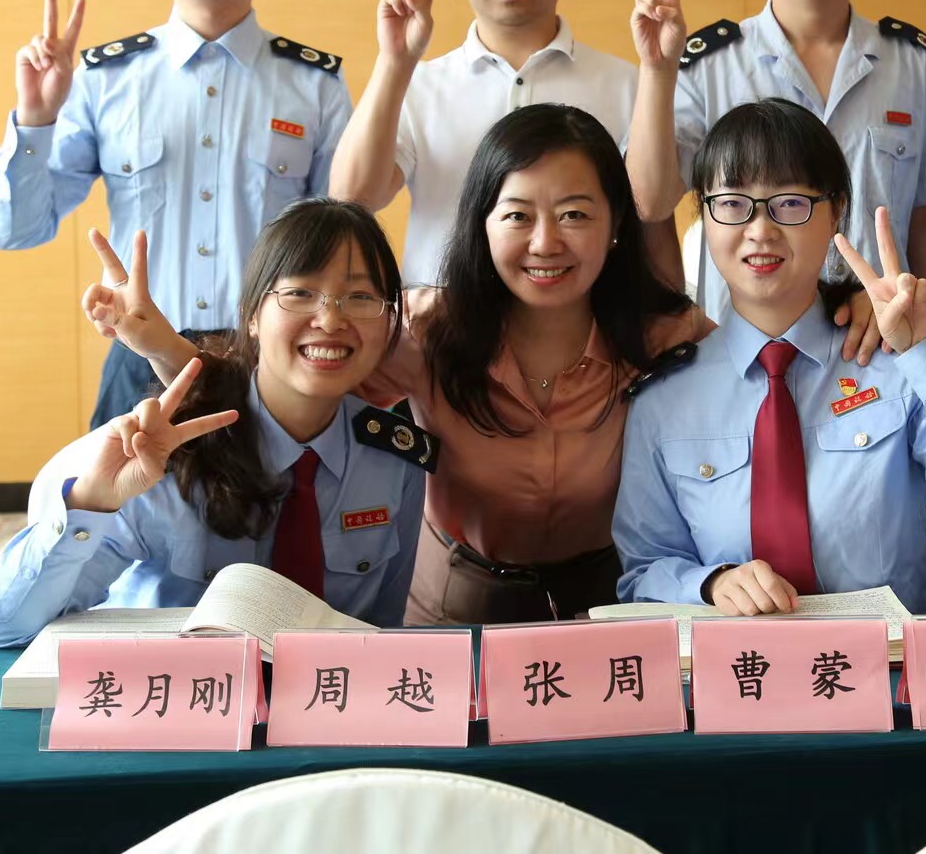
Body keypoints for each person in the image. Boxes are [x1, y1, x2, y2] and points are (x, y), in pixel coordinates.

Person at [90, 104, 710, 625]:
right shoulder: (425, 329)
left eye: (574, 214)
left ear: (616, 224)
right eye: (518, 215)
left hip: (610, 605)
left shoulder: (663, 336)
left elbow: (750, 379)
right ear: (483, 224)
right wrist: (163, 345)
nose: (545, 242)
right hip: (452, 609)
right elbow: (281, 387)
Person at [613, 99, 926, 617]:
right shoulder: (664, 399)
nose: (760, 229)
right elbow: (643, 572)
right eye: (731, 203)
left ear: (836, 209)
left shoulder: (897, 364)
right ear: (704, 214)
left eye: (790, 203)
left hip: (894, 662)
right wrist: (710, 584)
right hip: (741, 664)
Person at [0, 0, 352, 427]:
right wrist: (36, 118)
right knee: (125, 492)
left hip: (272, 362)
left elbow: (346, 238)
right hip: (138, 360)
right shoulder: (104, 79)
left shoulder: (315, 85)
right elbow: (15, 230)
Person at [0, 199, 433, 647]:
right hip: (172, 695)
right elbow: (4, 628)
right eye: (300, 294)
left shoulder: (395, 462)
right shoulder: (167, 450)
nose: (330, 320)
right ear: (251, 316)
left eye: (360, 297)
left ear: (389, 323)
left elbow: (382, 636)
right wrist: (92, 501)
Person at [626, 0, 926, 337]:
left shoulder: (917, 66)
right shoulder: (706, 66)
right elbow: (651, 204)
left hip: (879, 346)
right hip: (744, 348)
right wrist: (657, 70)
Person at [329, 0, 636, 286]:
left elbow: (651, 219)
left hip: (584, 321)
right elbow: (352, 198)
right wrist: (394, 62)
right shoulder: (418, 85)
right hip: (443, 322)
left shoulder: (625, 84)